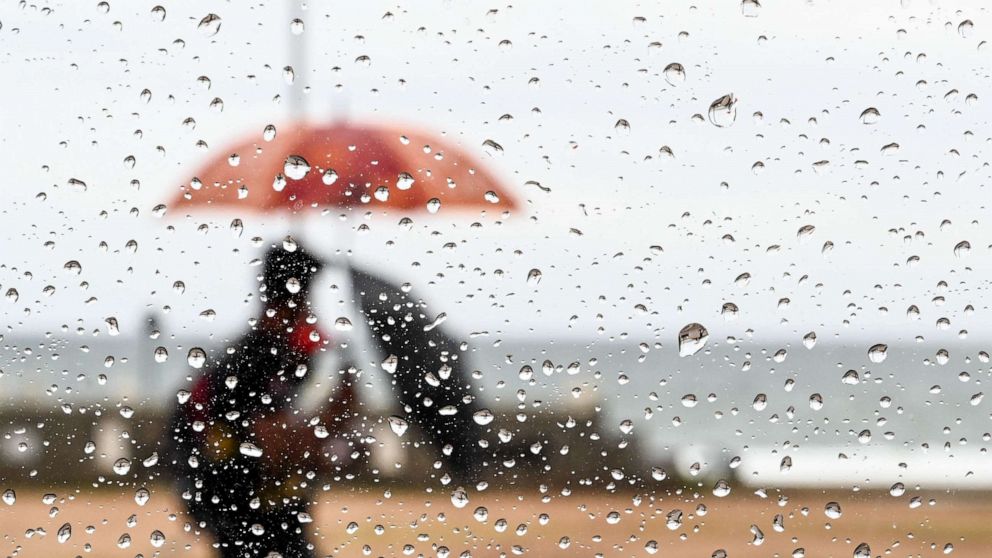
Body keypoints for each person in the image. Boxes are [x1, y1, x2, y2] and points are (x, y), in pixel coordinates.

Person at [165, 242, 485, 557]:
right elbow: (276, 448)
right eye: (309, 298)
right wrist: (337, 422)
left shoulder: (284, 356)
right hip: (245, 517)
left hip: (273, 512)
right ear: (293, 299)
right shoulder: (258, 359)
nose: (314, 313)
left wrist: (336, 420)